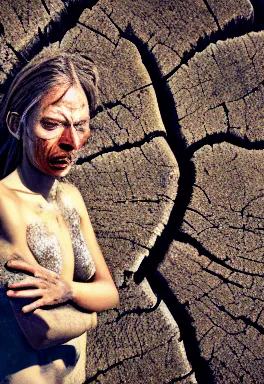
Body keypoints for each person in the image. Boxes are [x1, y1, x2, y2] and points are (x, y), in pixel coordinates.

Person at [0, 49, 119, 383]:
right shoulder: (4, 204)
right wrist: (92, 315)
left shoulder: (70, 199)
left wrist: (68, 291)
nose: (71, 142)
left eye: (80, 126)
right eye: (51, 124)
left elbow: (109, 292)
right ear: (16, 124)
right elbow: (41, 329)